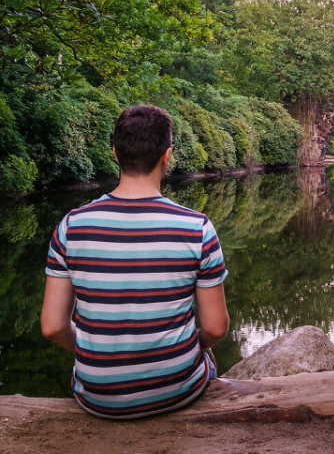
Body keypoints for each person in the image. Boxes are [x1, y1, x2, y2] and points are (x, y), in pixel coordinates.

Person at [41, 104, 229, 419]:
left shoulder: (71, 226)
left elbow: (52, 327)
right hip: (176, 390)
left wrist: (92, 351)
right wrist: (189, 346)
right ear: (167, 155)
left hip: (97, 397)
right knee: (206, 356)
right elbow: (216, 327)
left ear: (115, 153)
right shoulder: (197, 228)